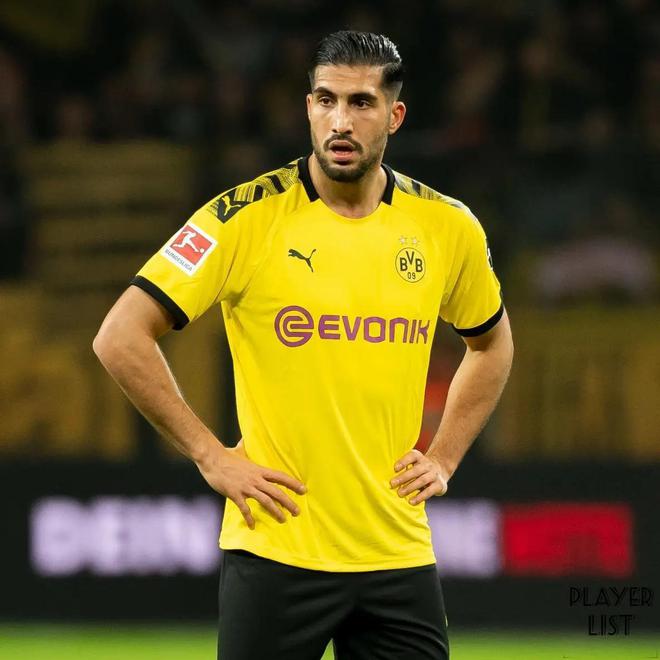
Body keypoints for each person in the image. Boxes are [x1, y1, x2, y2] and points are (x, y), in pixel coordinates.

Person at [94, 30, 513, 660]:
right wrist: (209, 455)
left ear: (395, 116)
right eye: (326, 100)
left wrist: (446, 457)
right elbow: (120, 335)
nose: (340, 121)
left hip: (396, 553)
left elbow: (492, 345)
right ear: (309, 107)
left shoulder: (446, 226)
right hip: (277, 549)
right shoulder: (242, 218)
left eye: (362, 103)